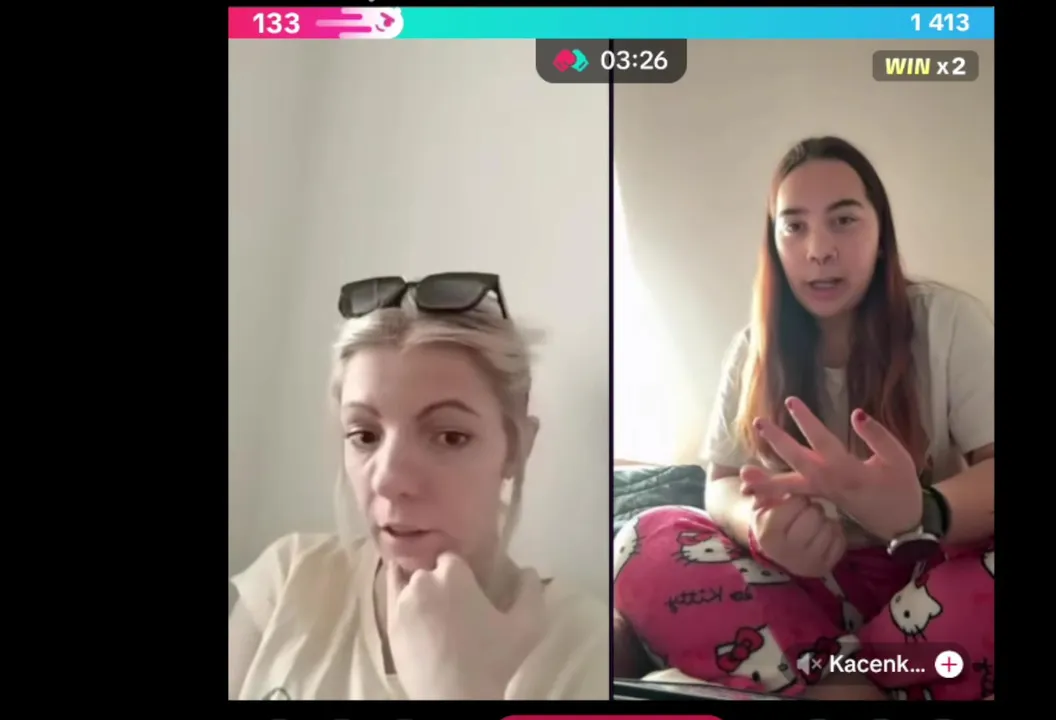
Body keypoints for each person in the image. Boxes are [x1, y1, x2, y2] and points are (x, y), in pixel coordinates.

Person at [612, 137, 995, 700]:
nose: (819, 250)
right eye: (794, 226)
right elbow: (719, 483)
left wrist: (924, 510)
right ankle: (862, 679)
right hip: (800, 590)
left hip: (926, 577)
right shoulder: (751, 350)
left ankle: (828, 677)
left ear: (881, 235)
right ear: (774, 243)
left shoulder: (948, 322)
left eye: (844, 220)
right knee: (643, 538)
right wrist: (756, 525)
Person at [229, 272, 609, 700]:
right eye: (364, 435)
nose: (388, 479)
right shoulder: (290, 579)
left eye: (449, 436)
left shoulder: (587, 652)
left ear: (516, 447)